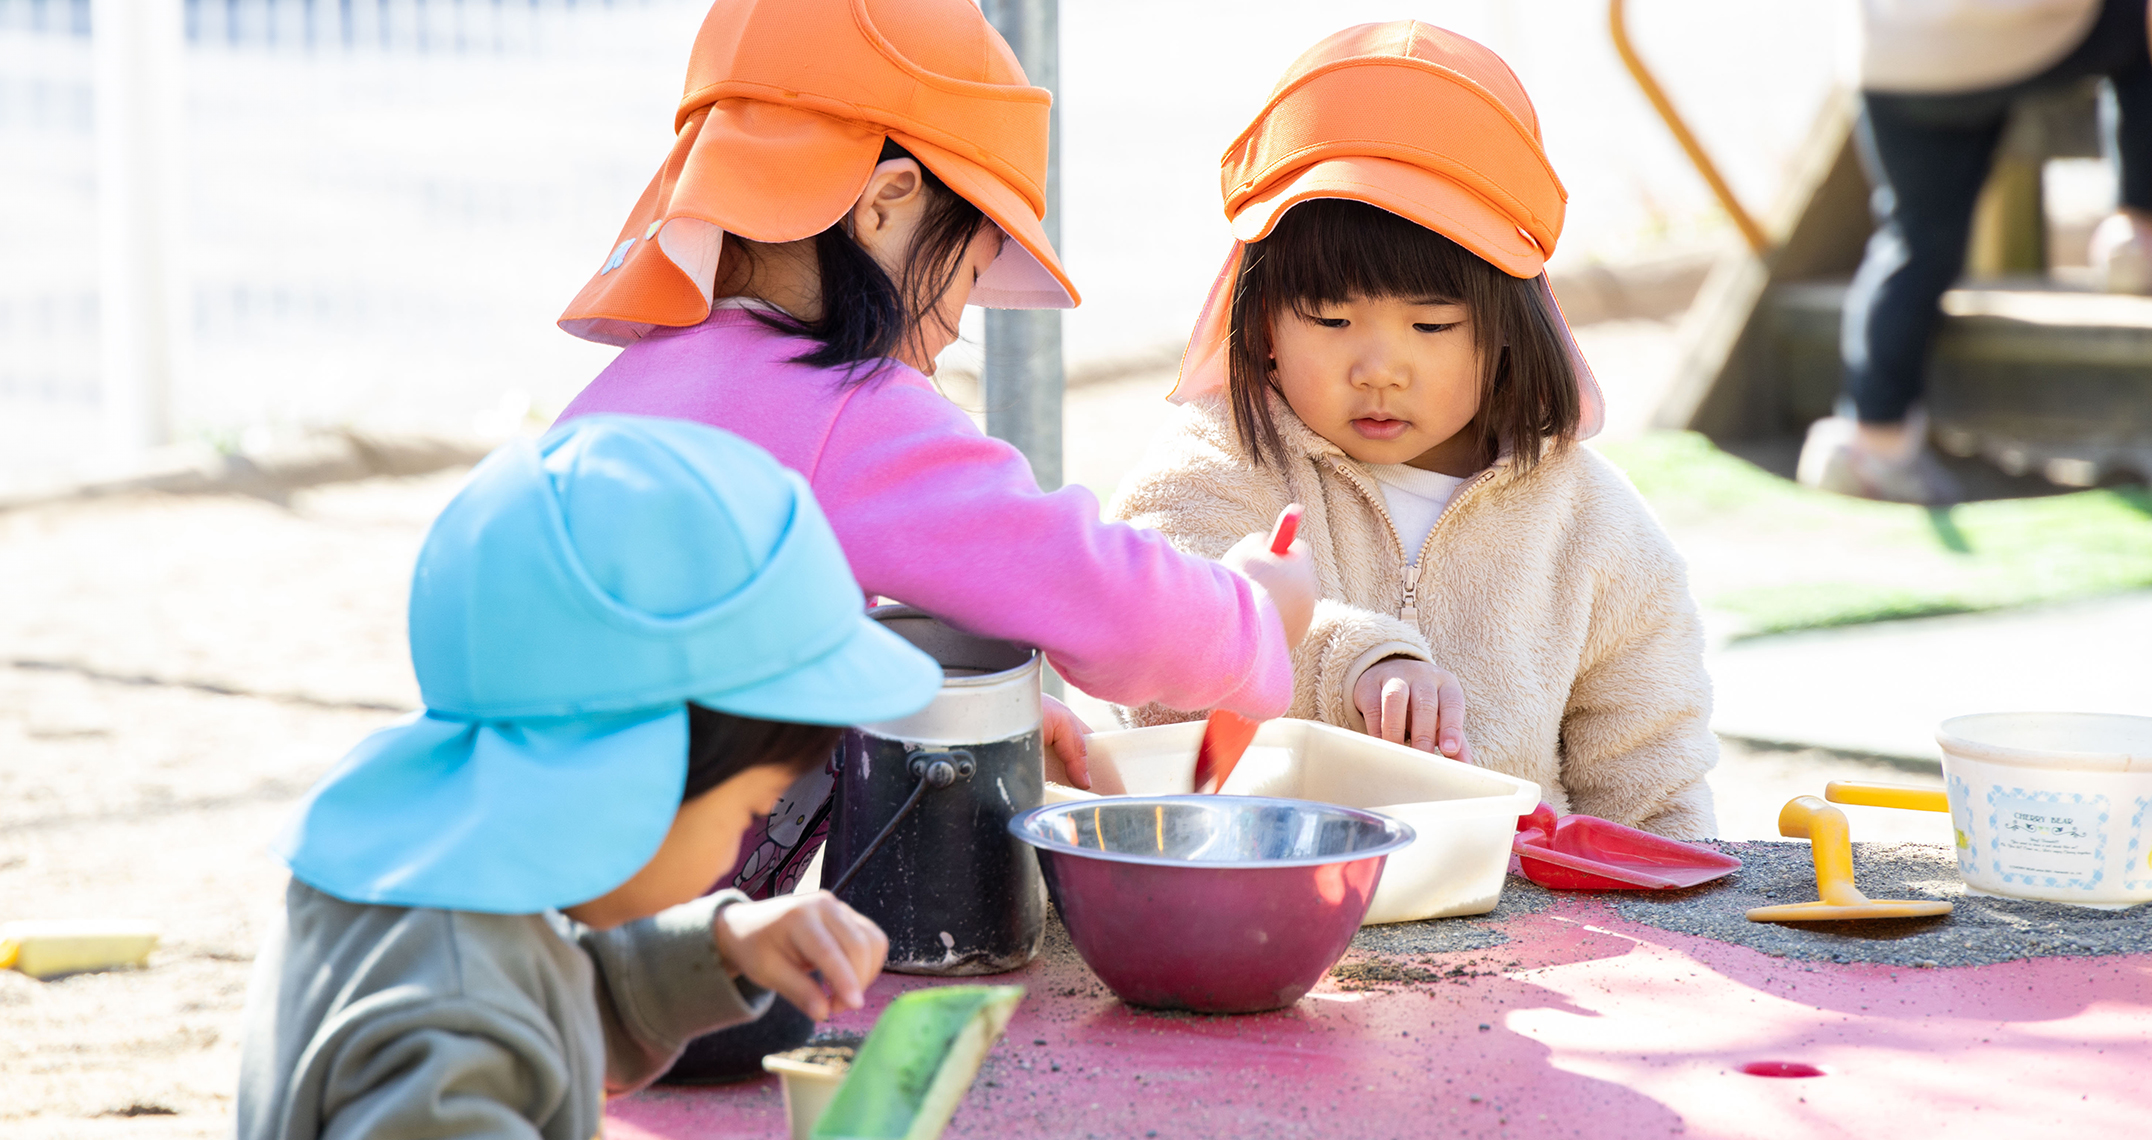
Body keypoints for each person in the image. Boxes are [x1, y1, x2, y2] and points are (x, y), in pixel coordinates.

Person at [554, 0, 1312, 924]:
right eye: (969, 266)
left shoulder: (630, 391)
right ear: (885, 204)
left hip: (501, 909)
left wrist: (971, 702)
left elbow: (716, 653)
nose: (960, 318)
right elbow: (1101, 596)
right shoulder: (845, 409)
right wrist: (1255, 617)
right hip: (633, 960)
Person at [235, 415, 936, 1139]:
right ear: (637, 774)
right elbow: (499, 1008)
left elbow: (546, 983)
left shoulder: (430, 890)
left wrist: (724, 941)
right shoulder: (450, 1029)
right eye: (747, 809)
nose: (738, 847)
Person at [1109, 22, 1717, 839]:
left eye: (1431, 325)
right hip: (1253, 905)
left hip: (1523, 933)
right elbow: (1148, 647)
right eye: (1330, 318)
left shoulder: (1595, 531)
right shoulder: (1218, 463)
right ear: (1258, 325)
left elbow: (1653, 787)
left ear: (1506, 328)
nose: (1379, 368)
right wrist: (1353, 660)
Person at [1799, 0, 2152, 503]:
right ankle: (2139, 229)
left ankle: (1872, 440)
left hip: (1888, 55)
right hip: (2014, 40)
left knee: (1912, 242)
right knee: (2146, 23)